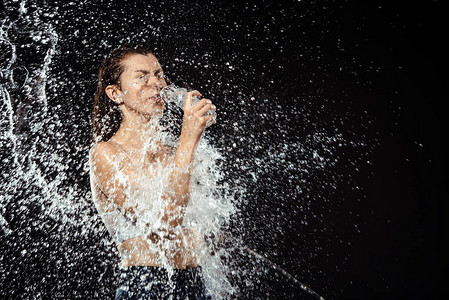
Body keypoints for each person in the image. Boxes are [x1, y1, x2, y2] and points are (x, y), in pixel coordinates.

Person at [89, 44, 216, 299]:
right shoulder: (106, 154)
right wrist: (189, 137)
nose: (156, 83)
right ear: (116, 93)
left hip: (196, 284)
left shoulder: (173, 152)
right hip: (147, 283)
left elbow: (193, 225)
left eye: (158, 74)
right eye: (141, 76)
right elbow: (164, 226)